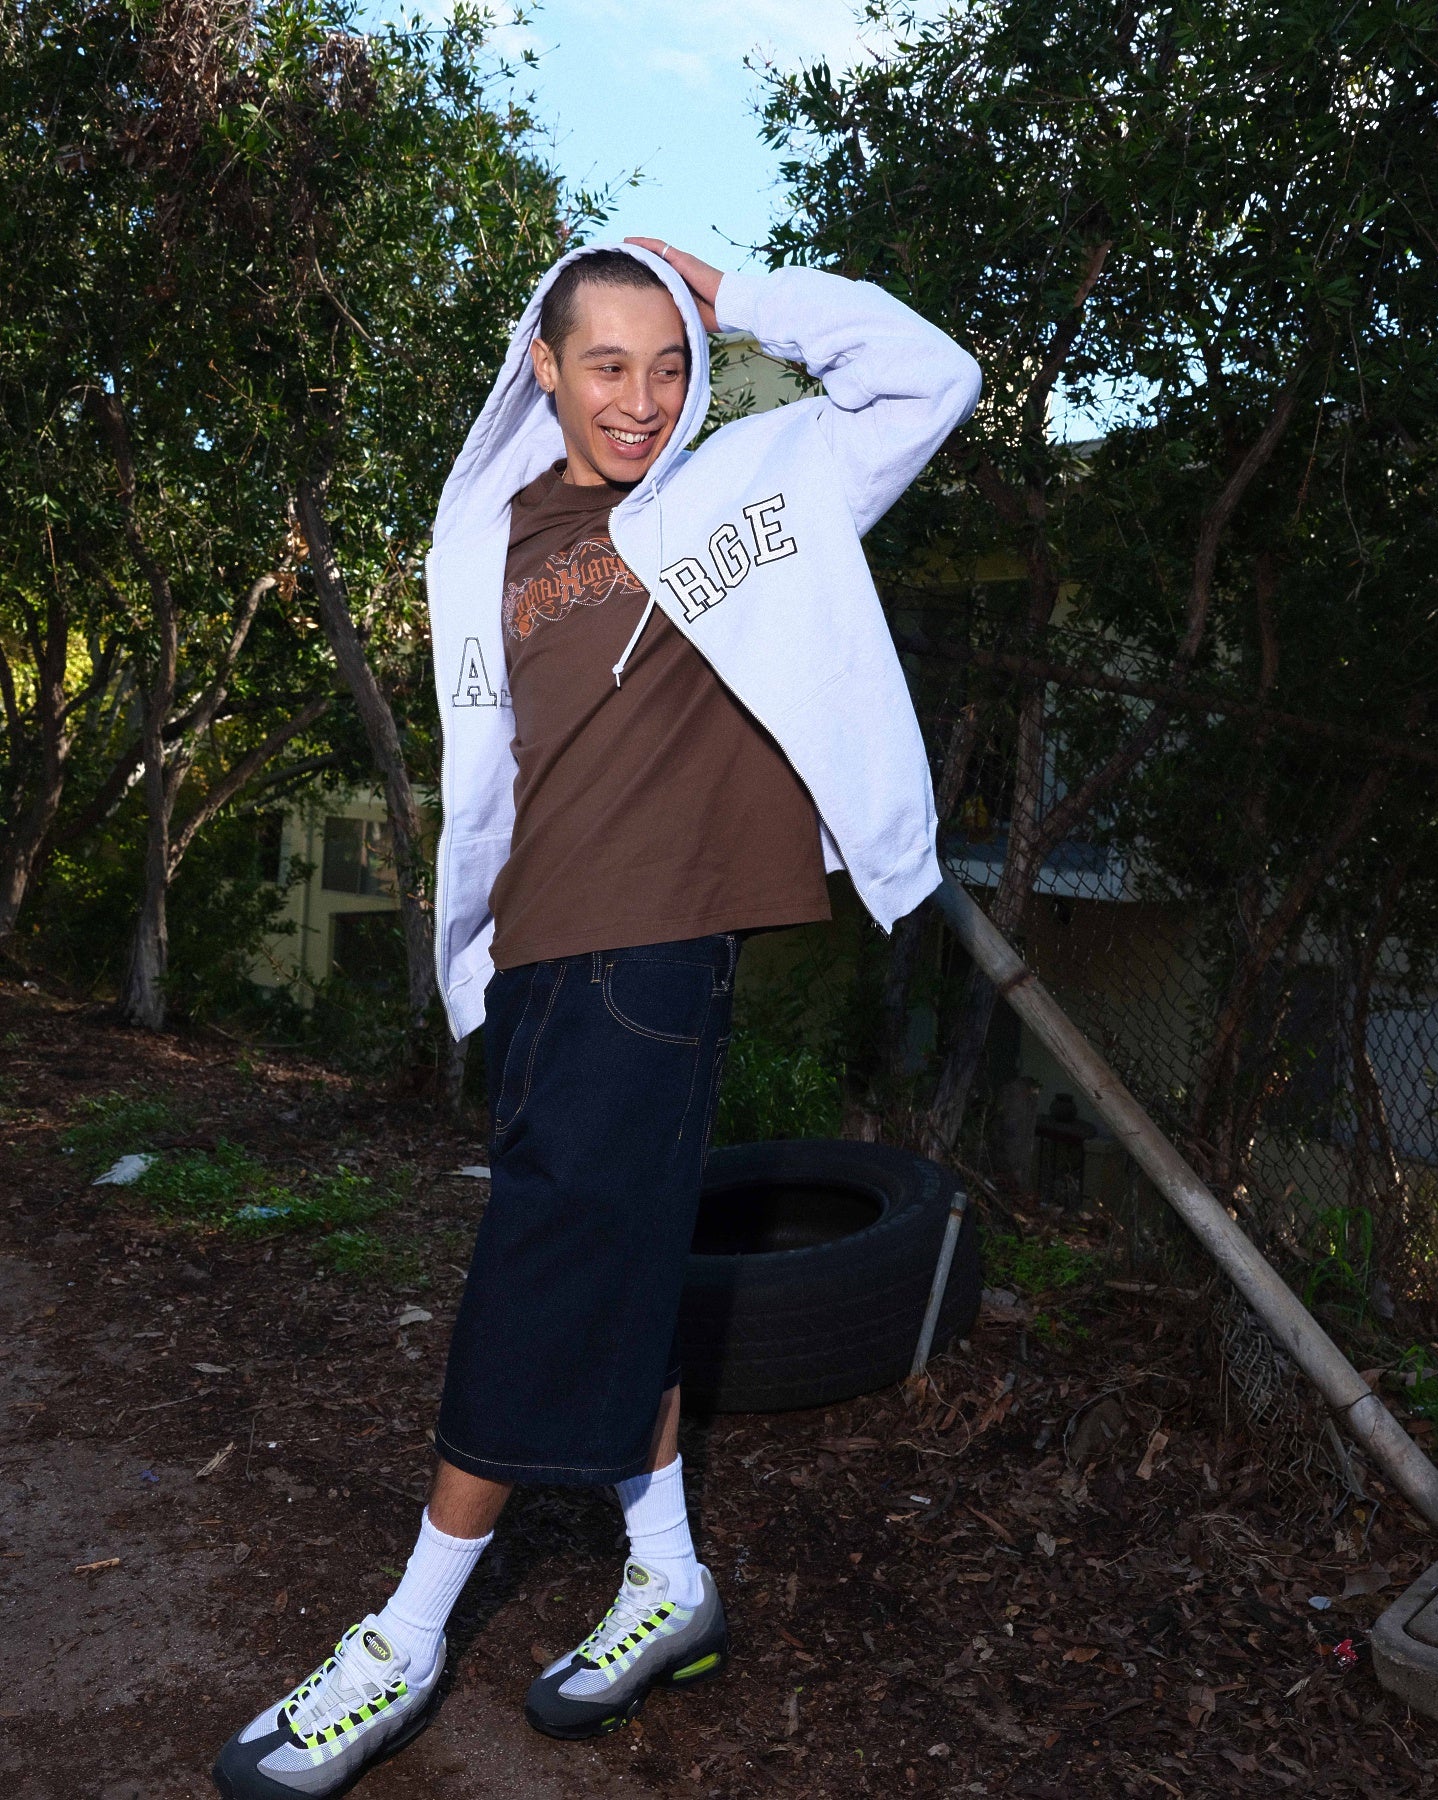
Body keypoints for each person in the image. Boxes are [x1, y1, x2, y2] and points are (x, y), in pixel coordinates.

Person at [213, 239, 981, 1798]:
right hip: (539, 957)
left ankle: (405, 1635)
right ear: (544, 367)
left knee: (540, 1271)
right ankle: (669, 1575)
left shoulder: (756, 497)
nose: (644, 399)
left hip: (656, 949)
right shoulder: (494, 535)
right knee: (613, 1263)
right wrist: (479, 949)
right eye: (610, 364)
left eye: (671, 364)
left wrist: (738, 291)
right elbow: (496, 769)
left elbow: (932, 377)